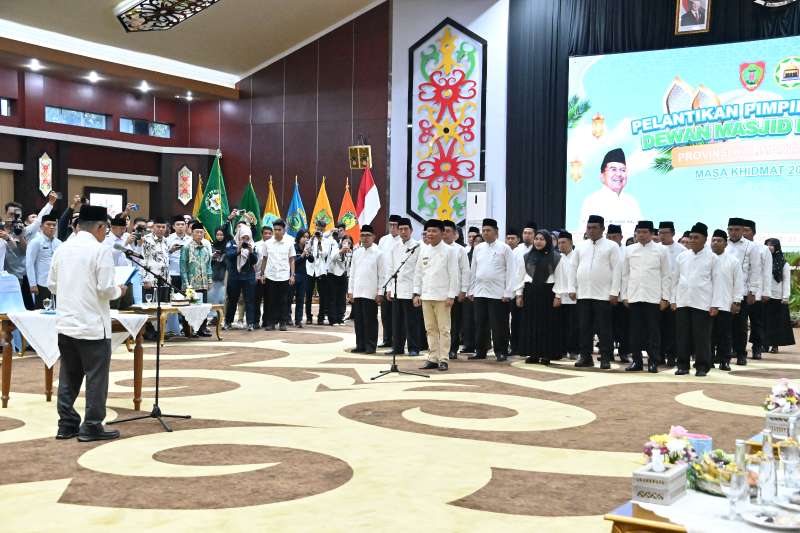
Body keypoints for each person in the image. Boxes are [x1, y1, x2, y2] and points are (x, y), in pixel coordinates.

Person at [48, 204, 126, 442]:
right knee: (96, 377)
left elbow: (52, 285)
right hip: (92, 326)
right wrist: (119, 291)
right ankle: (91, 426)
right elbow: (105, 289)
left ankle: (66, 424)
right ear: (101, 227)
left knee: (69, 376)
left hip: (66, 323)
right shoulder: (100, 250)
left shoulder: (62, 248)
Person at [567, 214, 621, 369]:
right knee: (584, 328)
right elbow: (573, 267)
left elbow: (617, 269)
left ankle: (605, 358)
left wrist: (614, 291)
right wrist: (572, 288)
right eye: (588, 227)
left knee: (604, 329)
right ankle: (585, 356)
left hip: (603, 295)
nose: (591, 230)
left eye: (594, 228)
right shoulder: (581, 246)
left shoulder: (612, 246)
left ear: (602, 229)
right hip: (583, 293)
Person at [671, 222, 722, 377]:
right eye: (691, 237)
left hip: (703, 303)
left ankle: (702, 366)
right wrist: (673, 300)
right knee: (682, 336)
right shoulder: (682, 257)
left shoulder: (712, 258)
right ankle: (682, 365)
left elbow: (717, 282)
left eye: (696, 237)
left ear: (704, 239)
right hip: (683, 301)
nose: (692, 240)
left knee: (702, 337)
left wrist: (715, 305)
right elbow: (675, 280)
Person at [621, 221, 671, 373]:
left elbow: (666, 275)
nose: (641, 235)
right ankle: (636, 361)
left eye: (644, 232)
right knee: (635, 331)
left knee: (653, 332)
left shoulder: (661, 250)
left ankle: (653, 361)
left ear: (651, 234)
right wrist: (624, 295)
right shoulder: (629, 250)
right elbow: (625, 274)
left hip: (653, 297)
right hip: (634, 296)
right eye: (638, 232)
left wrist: (665, 297)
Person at [467, 218, 517, 362]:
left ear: (496, 232)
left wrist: (508, 292)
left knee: (499, 324)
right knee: (480, 323)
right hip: (480, 291)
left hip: (498, 293)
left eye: (488, 230)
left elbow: (511, 271)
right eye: (483, 230)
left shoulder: (504, 248)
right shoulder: (478, 248)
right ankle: (480, 351)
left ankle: (501, 351)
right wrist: (471, 290)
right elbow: (473, 270)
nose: (485, 233)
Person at [415, 219, 459, 371]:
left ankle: (443, 359)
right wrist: (416, 293)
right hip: (426, 296)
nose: (430, 234)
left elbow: (454, 274)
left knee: (444, 329)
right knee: (430, 329)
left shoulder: (449, 251)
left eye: (434, 231)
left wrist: (451, 295)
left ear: (442, 233)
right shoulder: (424, 250)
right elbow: (418, 273)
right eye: (428, 231)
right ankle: (433, 357)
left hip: (443, 297)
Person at [516, 229, 564, 365]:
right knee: (531, 324)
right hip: (530, 293)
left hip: (548, 294)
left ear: (548, 241)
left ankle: (547, 354)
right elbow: (520, 276)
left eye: (542, 239)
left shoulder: (556, 258)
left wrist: (558, 296)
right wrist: (519, 294)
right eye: (536, 239)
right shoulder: (527, 257)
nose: (538, 241)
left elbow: (560, 278)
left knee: (547, 325)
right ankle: (533, 354)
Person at [577, 148, 642, 238]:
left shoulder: (632, 202)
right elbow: (583, 234)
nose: (619, 174)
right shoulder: (592, 201)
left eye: (623, 170)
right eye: (613, 169)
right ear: (602, 175)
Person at [727, 217, 762, 365]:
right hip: (723, 292)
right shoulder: (723, 244)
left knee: (740, 326)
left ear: (742, 230)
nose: (733, 232)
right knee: (724, 325)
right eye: (730, 229)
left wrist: (752, 291)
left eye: (737, 229)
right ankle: (725, 353)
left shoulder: (751, 246)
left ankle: (741, 354)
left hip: (742, 292)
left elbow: (755, 270)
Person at [386, 217, 422, 356]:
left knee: (412, 321)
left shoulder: (418, 247)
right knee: (397, 321)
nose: (403, 232)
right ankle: (398, 347)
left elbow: (419, 271)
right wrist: (389, 289)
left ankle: (414, 347)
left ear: (411, 230)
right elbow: (390, 268)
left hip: (411, 290)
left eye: (406, 229)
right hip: (397, 289)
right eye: (400, 229)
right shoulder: (394, 247)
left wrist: (417, 292)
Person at [347, 225, 384, 354]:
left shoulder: (379, 253)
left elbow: (382, 275)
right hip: (358, 292)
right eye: (363, 235)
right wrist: (350, 291)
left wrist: (380, 292)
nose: (365, 238)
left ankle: (371, 346)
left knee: (370, 321)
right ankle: (360, 345)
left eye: (368, 235)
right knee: (359, 321)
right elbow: (352, 273)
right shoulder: (357, 253)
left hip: (371, 293)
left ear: (373, 237)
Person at [710, 229, 743, 371]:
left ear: (725, 243)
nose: (715, 243)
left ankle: (725, 361)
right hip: (707, 304)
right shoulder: (706, 259)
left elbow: (738, 283)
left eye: (719, 241)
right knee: (708, 335)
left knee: (725, 334)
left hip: (725, 303)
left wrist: (736, 301)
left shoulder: (733, 261)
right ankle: (708, 360)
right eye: (713, 240)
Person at [258, 219, 295, 331]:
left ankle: (283, 322)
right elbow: (264, 259)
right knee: (270, 300)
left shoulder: (289, 243)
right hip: (271, 276)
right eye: (275, 230)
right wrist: (262, 274)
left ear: (284, 230)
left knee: (283, 300)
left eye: (279, 230)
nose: (277, 232)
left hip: (284, 276)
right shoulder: (267, 243)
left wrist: (292, 275)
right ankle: (271, 323)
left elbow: (292, 260)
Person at [657, 221, 685, 367]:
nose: (662, 236)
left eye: (665, 233)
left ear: (673, 233)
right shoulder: (655, 248)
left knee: (673, 329)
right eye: (660, 233)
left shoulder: (682, 250)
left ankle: (672, 355)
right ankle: (659, 355)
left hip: (675, 295)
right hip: (658, 294)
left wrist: (672, 298)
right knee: (657, 327)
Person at [743, 220, 772, 360]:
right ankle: (738, 348)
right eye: (742, 230)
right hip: (741, 293)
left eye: (747, 230)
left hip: (758, 294)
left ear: (754, 232)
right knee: (739, 324)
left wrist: (766, 292)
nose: (743, 233)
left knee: (757, 323)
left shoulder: (763, 249)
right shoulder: (735, 248)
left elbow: (767, 272)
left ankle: (757, 348)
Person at [443, 220, 471, 359]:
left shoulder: (460, 250)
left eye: (448, 231)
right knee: (440, 323)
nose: (445, 234)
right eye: (443, 231)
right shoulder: (434, 248)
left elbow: (465, 271)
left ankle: (452, 349)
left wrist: (463, 290)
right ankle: (439, 349)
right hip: (438, 292)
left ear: (455, 234)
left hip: (455, 293)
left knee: (454, 323)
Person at [180, 222, 213, 337]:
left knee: (203, 307)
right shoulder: (186, 247)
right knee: (190, 308)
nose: (199, 234)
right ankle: (188, 330)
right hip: (191, 283)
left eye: (201, 232)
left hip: (203, 282)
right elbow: (183, 267)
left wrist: (209, 279)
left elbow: (209, 265)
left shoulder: (205, 247)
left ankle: (202, 329)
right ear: (192, 233)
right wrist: (186, 283)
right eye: (197, 232)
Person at [223, 224, 258, 331]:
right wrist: (238, 249)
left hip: (248, 276)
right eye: (243, 238)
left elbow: (255, 261)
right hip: (234, 275)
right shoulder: (232, 243)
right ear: (239, 235)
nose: (245, 240)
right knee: (232, 300)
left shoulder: (253, 245)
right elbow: (229, 257)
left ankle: (250, 323)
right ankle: (228, 322)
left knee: (249, 300)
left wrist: (251, 252)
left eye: (247, 238)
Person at [764, 238, 795, 352]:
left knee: (776, 323)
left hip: (778, 297)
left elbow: (786, 281)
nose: (769, 247)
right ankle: (764, 344)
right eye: (767, 245)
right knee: (764, 322)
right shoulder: (763, 262)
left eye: (771, 245)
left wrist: (785, 297)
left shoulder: (784, 264)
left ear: (777, 247)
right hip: (765, 296)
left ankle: (775, 345)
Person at [305, 218, 337, 325]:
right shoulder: (311, 239)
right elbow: (306, 250)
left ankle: (321, 317)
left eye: (321, 229)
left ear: (324, 229)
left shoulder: (326, 241)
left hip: (321, 270)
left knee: (322, 295)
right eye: (317, 229)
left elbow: (324, 254)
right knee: (308, 294)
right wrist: (310, 245)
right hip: (310, 270)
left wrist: (319, 242)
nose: (319, 231)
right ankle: (309, 317)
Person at [26, 213, 61, 308]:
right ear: (41, 226)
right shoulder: (35, 242)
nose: (52, 227)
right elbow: (29, 263)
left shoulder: (59, 243)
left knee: (56, 310)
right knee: (41, 310)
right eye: (48, 224)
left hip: (56, 283)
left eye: (54, 225)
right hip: (41, 283)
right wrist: (32, 284)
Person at [607, 224, 630, 363]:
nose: (611, 239)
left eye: (614, 237)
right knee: (607, 326)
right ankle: (607, 353)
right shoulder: (604, 250)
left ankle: (624, 352)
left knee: (624, 326)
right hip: (606, 294)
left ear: (621, 237)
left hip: (623, 295)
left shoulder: (627, 251)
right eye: (609, 237)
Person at [510, 223, 534, 355]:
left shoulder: (537, 249)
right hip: (516, 290)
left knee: (529, 320)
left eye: (530, 233)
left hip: (531, 290)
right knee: (516, 320)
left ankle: (528, 347)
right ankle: (515, 347)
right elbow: (513, 272)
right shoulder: (516, 251)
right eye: (525, 233)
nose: (527, 235)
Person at [378, 214, 402, 347]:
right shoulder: (383, 240)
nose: (392, 228)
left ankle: (397, 341)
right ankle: (387, 339)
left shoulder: (402, 241)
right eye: (391, 225)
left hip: (397, 282)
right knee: (385, 314)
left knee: (397, 315)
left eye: (395, 225)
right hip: (384, 281)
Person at [555, 231, 578, 358]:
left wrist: (574, 290)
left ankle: (573, 350)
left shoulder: (577, 256)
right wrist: (557, 296)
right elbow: (556, 279)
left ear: (571, 243)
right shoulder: (557, 258)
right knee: (561, 325)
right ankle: (562, 350)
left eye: (563, 242)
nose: (561, 245)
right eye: (559, 243)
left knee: (574, 325)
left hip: (575, 296)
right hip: (561, 296)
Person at [460, 226, 481, 355]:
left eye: (476, 239)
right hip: (468, 291)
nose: (473, 241)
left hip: (481, 291)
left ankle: (481, 345)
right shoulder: (466, 253)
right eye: (471, 238)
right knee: (467, 320)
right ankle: (468, 344)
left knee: (479, 321)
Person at [141, 216, 170, 304]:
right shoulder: (146, 240)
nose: (161, 229)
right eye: (158, 227)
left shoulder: (166, 241)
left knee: (165, 307)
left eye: (163, 227)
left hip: (165, 280)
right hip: (151, 280)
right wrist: (145, 279)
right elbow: (143, 259)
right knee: (151, 307)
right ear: (153, 227)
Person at [327, 233, 351, 326]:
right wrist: (341, 251)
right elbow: (332, 258)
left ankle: (340, 318)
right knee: (333, 297)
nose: (347, 245)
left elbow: (349, 266)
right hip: (333, 275)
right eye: (345, 242)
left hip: (343, 276)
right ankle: (332, 319)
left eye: (349, 243)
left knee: (342, 298)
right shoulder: (335, 248)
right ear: (341, 242)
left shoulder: (350, 252)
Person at [290, 230, 312, 327]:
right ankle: (288, 317)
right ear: (299, 237)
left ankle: (298, 320)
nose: (305, 239)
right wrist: (302, 255)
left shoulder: (307, 248)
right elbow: (294, 262)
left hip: (303, 276)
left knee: (300, 299)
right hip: (294, 275)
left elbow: (312, 260)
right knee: (289, 298)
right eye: (304, 237)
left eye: (307, 237)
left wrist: (309, 253)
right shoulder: (294, 247)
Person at [208, 227, 229, 309]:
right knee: (212, 296)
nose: (219, 237)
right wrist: (213, 257)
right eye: (217, 235)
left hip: (225, 275)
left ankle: (222, 313)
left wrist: (223, 257)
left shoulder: (228, 246)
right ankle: (214, 313)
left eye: (221, 235)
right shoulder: (212, 245)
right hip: (214, 274)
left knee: (223, 296)